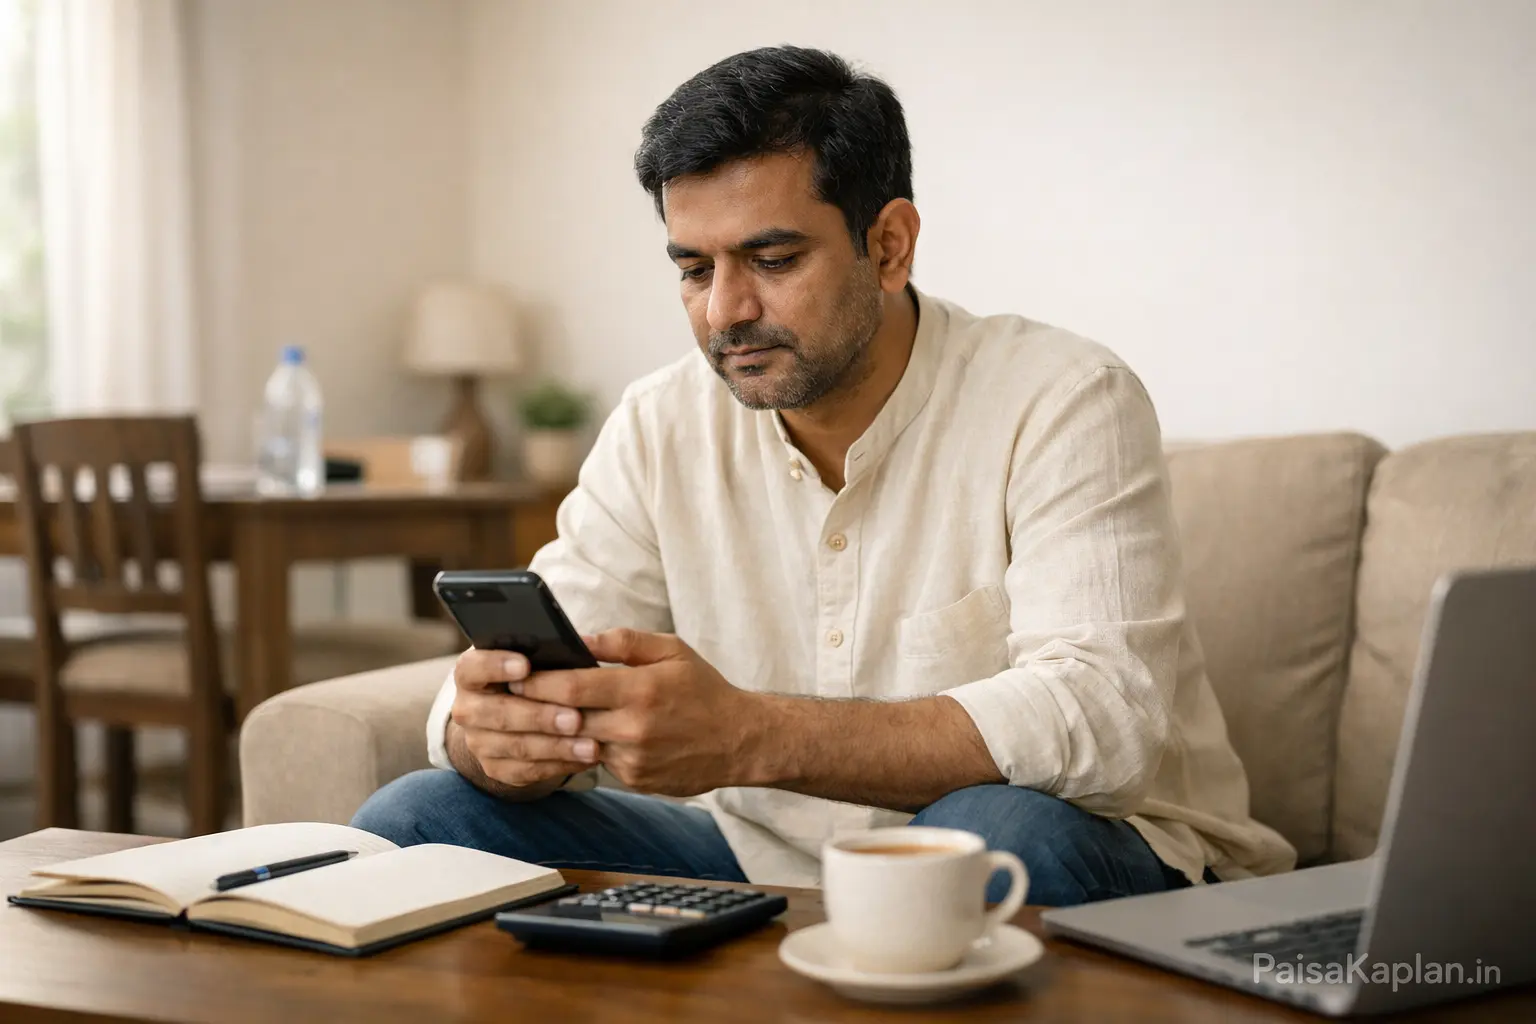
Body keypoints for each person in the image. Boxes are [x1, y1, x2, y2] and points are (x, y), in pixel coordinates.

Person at [352, 45, 1296, 906]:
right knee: (420, 819)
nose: (726, 310)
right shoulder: (659, 423)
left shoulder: (1062, 397)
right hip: (755, 856)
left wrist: (752, 734)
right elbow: (532, 661)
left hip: (1090, 846)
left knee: (996, 840)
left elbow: (1102, 717)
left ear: (888, 244)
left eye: (772, 258)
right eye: (692, 268)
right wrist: (497, 739)